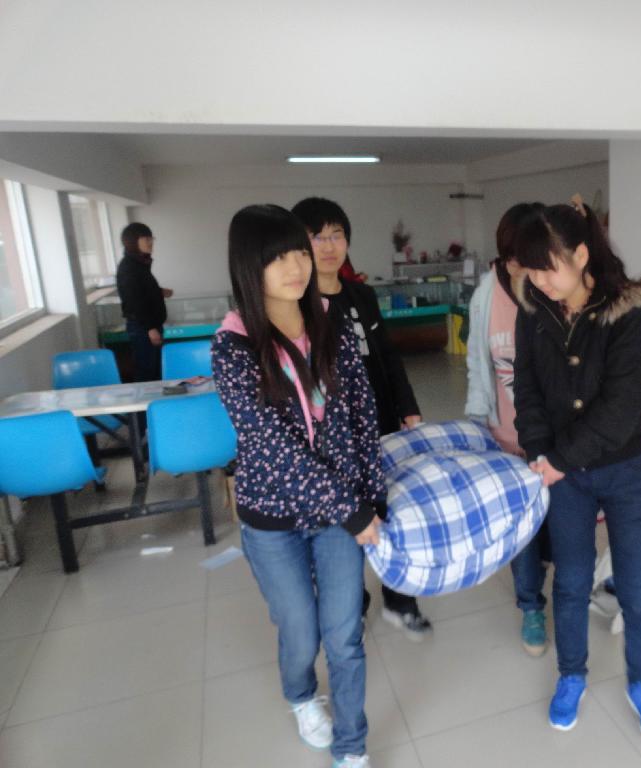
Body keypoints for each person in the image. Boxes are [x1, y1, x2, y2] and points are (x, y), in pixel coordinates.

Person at [211, 204, 384, 768]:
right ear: (248, 266)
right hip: (272, 520)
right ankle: (303, 696)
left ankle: (352, 746)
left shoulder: (330, 325)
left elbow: (362, 416)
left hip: (339, 514)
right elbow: (273, 448)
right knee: (301, 632)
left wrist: (372, 497)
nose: (296, 267)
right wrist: (353, 510)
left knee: (345, 634)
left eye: (299, 253)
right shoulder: (233, 347)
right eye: (277, 258)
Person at [512, 196, 641, 747]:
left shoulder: (626, 311)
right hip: (566, 478)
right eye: (532, 270)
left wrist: (557, 460)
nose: (540, 280)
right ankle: (572, 675)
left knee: (639, 587)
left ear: (581, 255)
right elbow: (527, 389)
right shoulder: (535, 312)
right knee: (572, 580)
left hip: (627, 469)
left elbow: (623, 407)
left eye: (548, 267)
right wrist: (539, 453)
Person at [291, 196, 433, 642]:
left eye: (336, 235)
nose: (328, 246)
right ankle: (353, 602)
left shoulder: (362, 296)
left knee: (392, 512)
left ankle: (400, 599)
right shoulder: (296, 305)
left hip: (382, 423)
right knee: (342, 520)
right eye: (317, 237)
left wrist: (407, 405)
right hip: (331, 436)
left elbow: (388, 356)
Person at [465, 201, 552, 657]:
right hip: (507, 436)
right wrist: (479, 419)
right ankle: (531, 607)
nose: (522, 267)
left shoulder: (551, 289)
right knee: (523, 531)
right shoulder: (485, 296)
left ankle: (554, 579)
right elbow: (476, 362)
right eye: (515, 257)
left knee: (556, 527)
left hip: (554, 438)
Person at [115, 222, 172, 381]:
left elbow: (141, 290)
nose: (151, 243)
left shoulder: (140, 264)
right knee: (147, 371)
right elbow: (134, 301)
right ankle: (147, 398)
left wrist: (159, 292)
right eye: (146, 239)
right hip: (143, 328)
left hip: (148, 326)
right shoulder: (129, 267)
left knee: (155, 369)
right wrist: (150, 328)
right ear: (133, 241)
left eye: (151, 239)